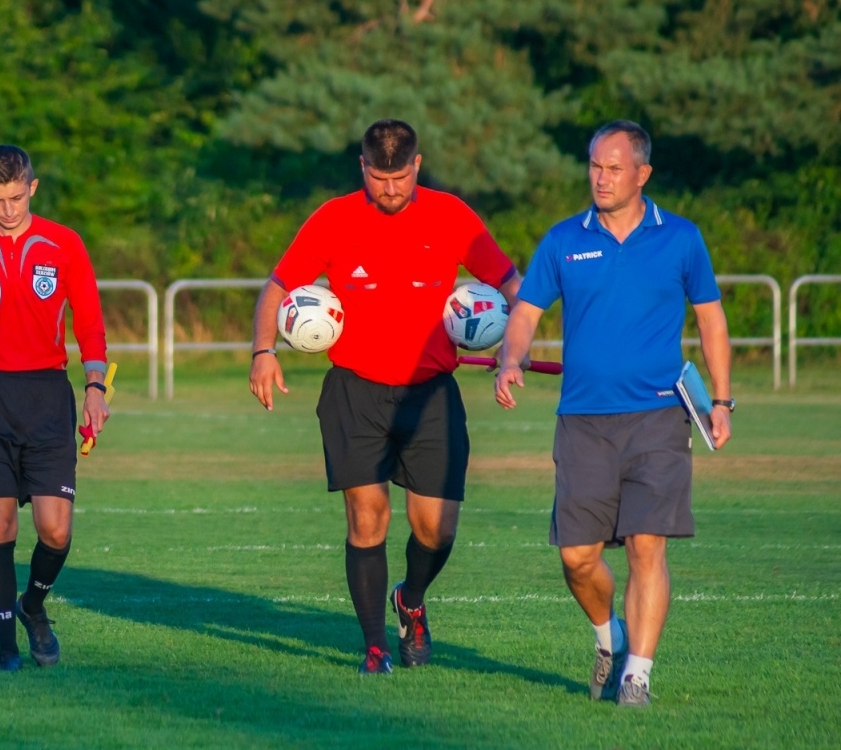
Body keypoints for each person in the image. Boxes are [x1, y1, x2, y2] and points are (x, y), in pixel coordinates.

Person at [249, 120, 521, 674]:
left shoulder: (452, 217)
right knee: (367, 518)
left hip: (430, 397)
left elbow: (512, 283)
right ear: (362, 167)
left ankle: (411, 599)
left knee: (436, 529)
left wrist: (514, 341)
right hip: (355, 392)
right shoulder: (333, 218)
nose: (390, 189)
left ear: (417, 165)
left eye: (399, 177)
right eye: (379, 178)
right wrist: (263, 349)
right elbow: (278, 286)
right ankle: (374, 645)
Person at [495, 121, 731, 709]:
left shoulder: (680, 238)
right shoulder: (562, 240)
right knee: (578, 559)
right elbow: (524, 312)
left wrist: (721, 401)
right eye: (595, 167)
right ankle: (610, 638)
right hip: (584, 421)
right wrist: (510, 359)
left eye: (614, 168)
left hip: (658, 417)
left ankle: (637, 678)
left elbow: (710, 321)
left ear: (642, 174)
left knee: (649, 546)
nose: (601, 178)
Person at [0, 145, 111, 671]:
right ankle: (7, 651)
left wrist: (96, 386)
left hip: (45, 395)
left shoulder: (63, 244)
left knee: (55, 530)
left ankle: (32, 606)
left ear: (32, 188)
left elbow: (89, 320)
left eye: (16, 197)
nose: (8, 210)